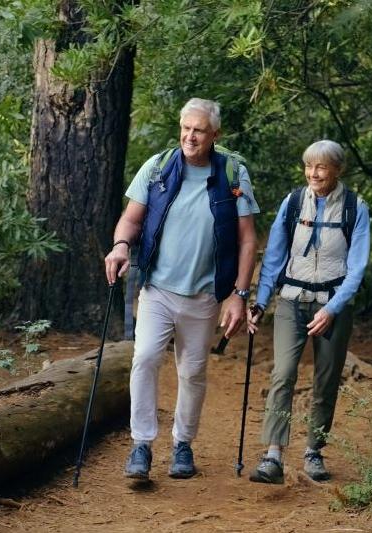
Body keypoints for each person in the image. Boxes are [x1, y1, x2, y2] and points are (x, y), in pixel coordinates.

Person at [105, 98, 259, 480]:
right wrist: (121, 246)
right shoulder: (157, 168)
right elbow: (130, 219)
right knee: (144, 359)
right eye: (186, 128)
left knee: (192, 372)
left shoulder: (233, 174)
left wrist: (239, 296)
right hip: (156, 288)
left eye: (199, 130)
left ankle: (183, 445)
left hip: (205, 295)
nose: (191, 136)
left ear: (214, 135)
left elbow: (246, 241)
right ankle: (141, 445)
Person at [246, 139, 370, 484]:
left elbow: (357, 268)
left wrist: (331, 309)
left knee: (326, 380)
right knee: (283, 373)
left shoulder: (354, 208)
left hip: (333, 305)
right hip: (291, 300)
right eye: (308, 166)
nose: (312, 173)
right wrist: (260, 301)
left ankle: (314, 451)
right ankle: (273, 455)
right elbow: (274, 258)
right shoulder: (294, 202)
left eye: (321, 167)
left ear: (337, 170)